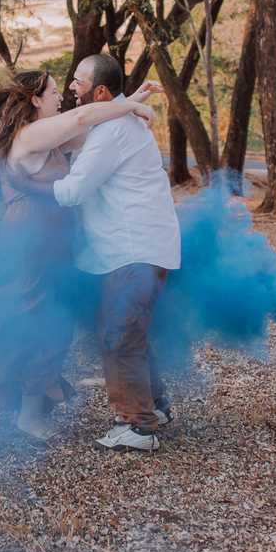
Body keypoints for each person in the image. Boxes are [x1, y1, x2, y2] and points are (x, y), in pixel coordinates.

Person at [0, 69, 156, 441]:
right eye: (55, 91)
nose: (62, 96)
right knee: (36, 321)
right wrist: (130, 105)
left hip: (54, 243)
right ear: (35, 99)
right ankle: (26, 415)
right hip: (31, 242)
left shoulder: (51, 140)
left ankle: (29, 413)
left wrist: (132, 100)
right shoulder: (30, 134)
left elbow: (91, 129)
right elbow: (81, 117)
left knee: (53, 325)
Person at [52, 54, 180, 452]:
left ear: (100, 91)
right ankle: (154, 407)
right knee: (131, 332)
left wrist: (26, 187)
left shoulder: (111, 132)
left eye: (78, 81)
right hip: (146, 249)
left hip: (134, 252)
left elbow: (73, 191)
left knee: (118, 335)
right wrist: (134, 97)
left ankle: (139, 427)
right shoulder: (119, 120)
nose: (72, 87)